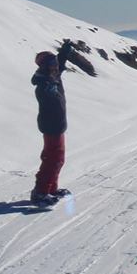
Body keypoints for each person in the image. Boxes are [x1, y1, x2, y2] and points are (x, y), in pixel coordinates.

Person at [30, 39, 79, 206]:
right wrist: (49, 89)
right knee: (52, 159)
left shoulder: (53, 76)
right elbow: (45, 97)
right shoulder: (43, 83)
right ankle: (41, 192)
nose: (55, 65)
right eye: (51, 63)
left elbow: (61, 61)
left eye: (55, 62)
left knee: (58, 159)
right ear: (44, 66)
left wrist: (65, 51)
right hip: (51, 126)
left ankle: (51, 189)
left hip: (58, 125)